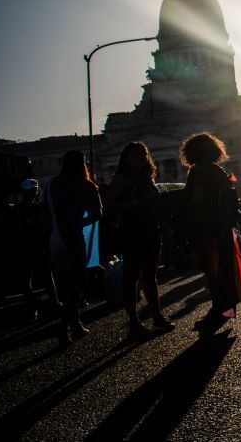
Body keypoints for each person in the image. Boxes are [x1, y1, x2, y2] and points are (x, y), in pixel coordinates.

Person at [106, 142, 175, 339]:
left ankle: (157, 317)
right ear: (126, 157)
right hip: (132, 232)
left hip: (151, 230)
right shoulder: (121, 178)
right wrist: (138, 203)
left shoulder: (146, 177)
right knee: (132, 276)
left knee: (150, 276)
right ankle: (134, 323)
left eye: (144, 153)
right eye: (136, 154)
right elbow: (110, 207)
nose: (141, 157)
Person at [181, 133, 241, 328]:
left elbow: (197, 199)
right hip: (223, 225)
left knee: (212, 270)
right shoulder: (218, 170)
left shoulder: (198, 172)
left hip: (205, 224)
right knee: (225, 266)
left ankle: (219, 308)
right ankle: (227, 307)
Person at [45, 151, 102, 345]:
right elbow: (98, 214)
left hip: (55, 240)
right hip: (75, 240)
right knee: (76, 289)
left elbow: (45, 211)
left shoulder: (51, 184)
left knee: (65, 286)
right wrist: (79, 221)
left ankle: (76, 325)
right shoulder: (87, 186)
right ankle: (63, 329)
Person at [9, 179, 60, 319]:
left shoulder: (26, 209)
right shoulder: (22, 210)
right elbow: (21, 228)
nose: (35, 192)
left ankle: (40, 307)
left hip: (33, 248)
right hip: (26, 249)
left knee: (40, 278)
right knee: (33, 279)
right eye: (33, 190)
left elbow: (45, 225)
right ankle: (38, 307)